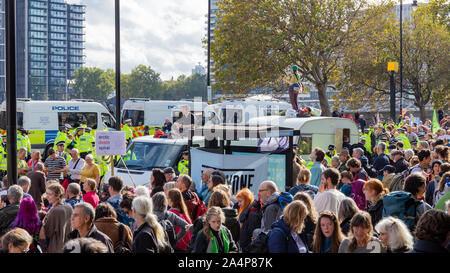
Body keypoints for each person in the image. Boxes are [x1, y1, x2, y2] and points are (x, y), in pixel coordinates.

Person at [39, 183, 73, 253]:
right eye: (46, 194)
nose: (47, 197)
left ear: (57, 196)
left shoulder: (56, 210)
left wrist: (43, 224)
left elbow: (47, 232)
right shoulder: (69, 207)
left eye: (50, 194)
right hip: (69, 245)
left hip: (56, 245)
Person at [236, 188, 262, 253]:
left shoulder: (253, 214)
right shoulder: (247, 212)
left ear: (247, 200)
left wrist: (248, 248)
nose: (238, 204)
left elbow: (252, 235)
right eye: (238, 202)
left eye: (240, 201)